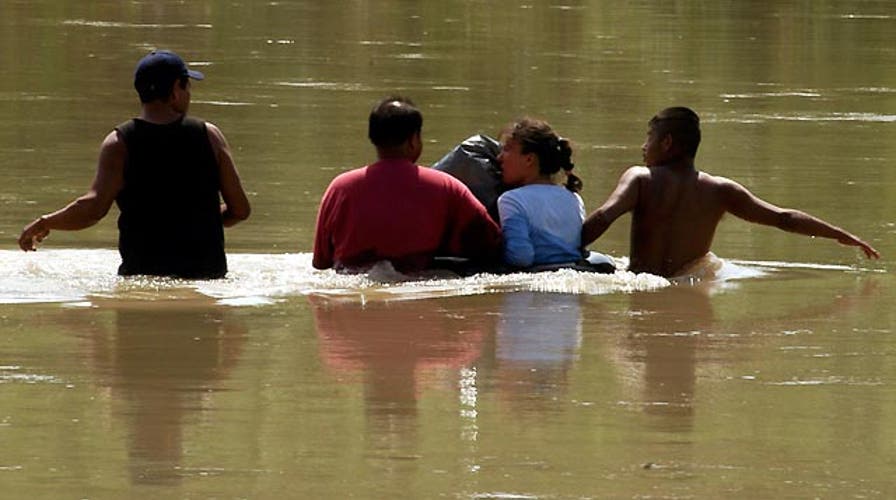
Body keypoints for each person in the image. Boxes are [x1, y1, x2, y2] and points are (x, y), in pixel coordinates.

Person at [18, 49, 251, 279]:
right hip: (206, 279)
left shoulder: (119, 143)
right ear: (174, 92)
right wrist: (197, 219)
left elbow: (93, 209)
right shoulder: (209, 136)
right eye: (186, 86)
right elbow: (240, 210)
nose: (189, 93)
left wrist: (45, 222)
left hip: (143, 277)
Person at [581, 106, 880, 278]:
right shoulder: (720, 190)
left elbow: (605, 217)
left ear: (667, 143)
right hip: (690, 282)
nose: (643, 147)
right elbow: (783, 218)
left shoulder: (640, 178)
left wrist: (562, 250)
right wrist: (841, 234)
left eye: (649, 138)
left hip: (640, 283)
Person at [312, 96, 502, 273]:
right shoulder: (446, 186)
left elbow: (320, 263)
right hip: (417, 283)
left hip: (349, 289)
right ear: (413, 141)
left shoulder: (340, 187)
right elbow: (491, 241)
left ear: (373, 138)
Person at [496, 118, 586, 268]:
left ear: (529, 159)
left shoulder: (512, 200)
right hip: (574, 276)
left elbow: (521, 257)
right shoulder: (574, 198)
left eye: (507, 149)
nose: (499, 158)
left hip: (534, 287)